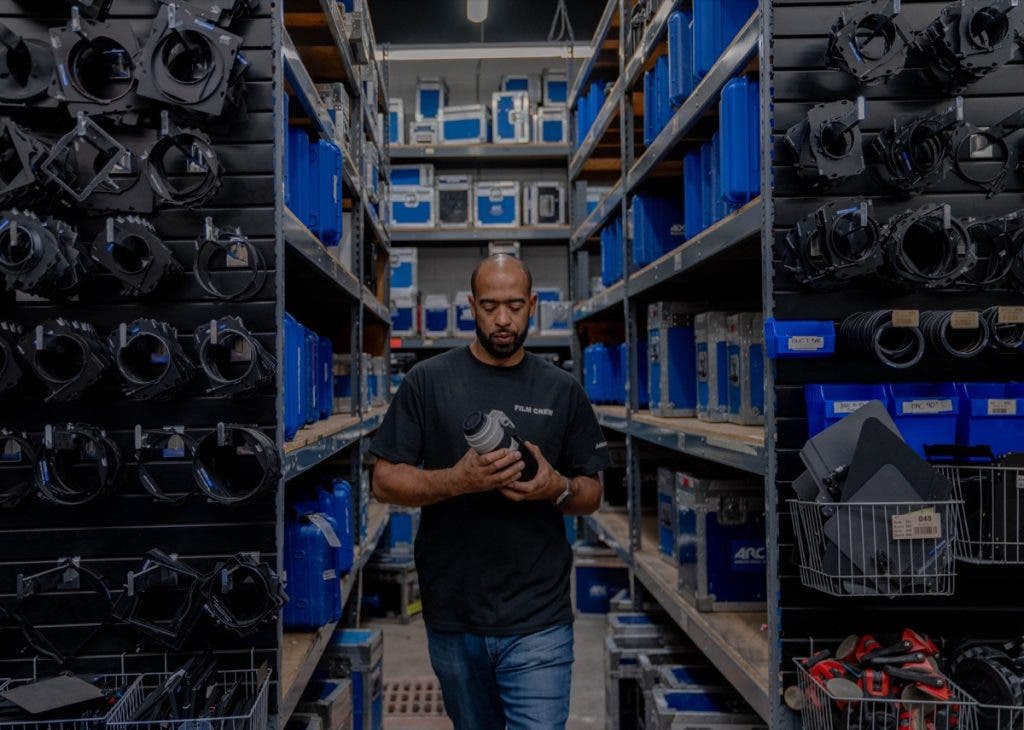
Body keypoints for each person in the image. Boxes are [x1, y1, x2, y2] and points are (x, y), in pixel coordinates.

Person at [370, 254, 611, 729]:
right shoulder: (427, 382)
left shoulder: (562, 390)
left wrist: (556, 487)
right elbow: (384, 480)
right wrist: (457, 480)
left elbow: (591, 494)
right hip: (454, 615)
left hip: (539, 617)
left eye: (515, 306)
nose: (503, 319)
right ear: (471, 306)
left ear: (533, 305)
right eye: (489, 306)